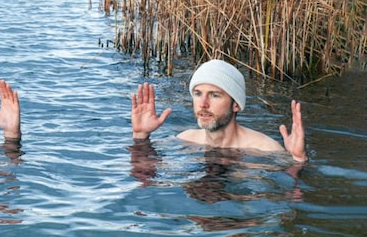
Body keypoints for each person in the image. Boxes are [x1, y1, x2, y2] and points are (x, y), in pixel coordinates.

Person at [130, 59, 307, 162]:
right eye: (198, 94)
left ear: (236, 104)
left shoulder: (265, 149)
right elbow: (147, 177)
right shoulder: (185, 139)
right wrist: (140, 137)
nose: (203, 104)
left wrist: (298, 160)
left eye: (215, 95)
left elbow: (288, 198)